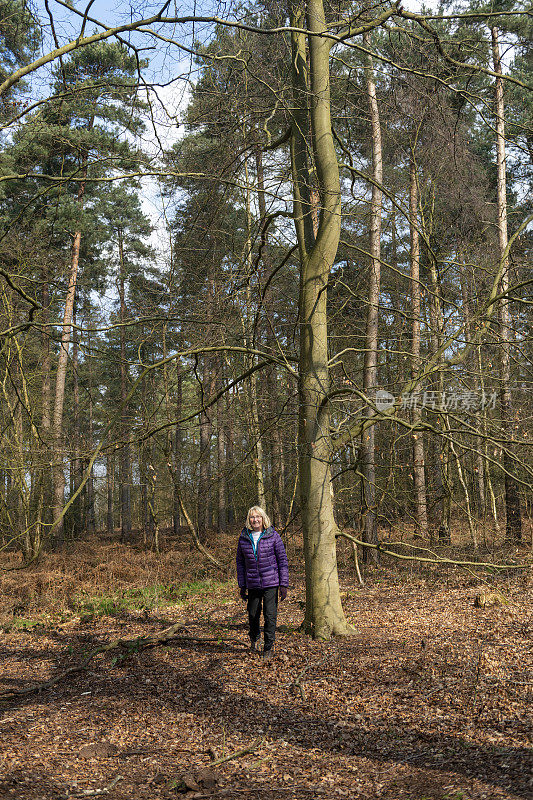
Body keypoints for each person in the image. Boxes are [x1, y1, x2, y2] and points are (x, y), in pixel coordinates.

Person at [236, 505, 289, 660]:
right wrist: (242, 584)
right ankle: (254, 637)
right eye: (252, 517)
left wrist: (283, 584)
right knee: (252, 614)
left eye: (258, 516)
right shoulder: (244, 537)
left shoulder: (273, 536)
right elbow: (240, 562)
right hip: (252, 583)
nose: (255, 519)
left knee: (270, 615)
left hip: (271, 582)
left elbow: (282, 560)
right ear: (249, 520)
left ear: (263, 518)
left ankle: (268, 647)